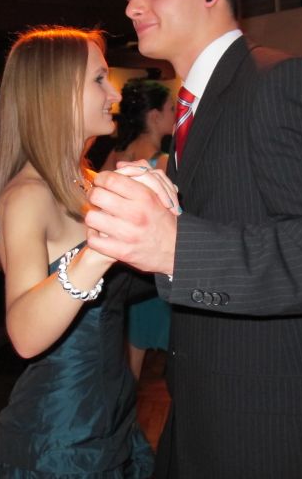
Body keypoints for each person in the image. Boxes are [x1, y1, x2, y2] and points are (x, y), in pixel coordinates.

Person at [84, 0, 302, 477]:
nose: (131, 8)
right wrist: (84, 264)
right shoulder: (196, 105)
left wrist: (177, 247)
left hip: (271, 423)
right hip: (203, 403)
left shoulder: (278, 81)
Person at [0, 27, 163, 478]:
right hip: (58, 439)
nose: (114, 94)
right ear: (55, 94)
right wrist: (99, 248)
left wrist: (166, 222)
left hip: (113, 421)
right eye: (99, 79)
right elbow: (24, 336)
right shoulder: (28, 196)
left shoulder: (92, 183)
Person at [101, 78, 175, 380]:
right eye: (171, 109)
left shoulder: (117, 155)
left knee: (132, 363)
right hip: (153, 274)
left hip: (124, 269)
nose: (176, 114)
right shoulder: (163, 163)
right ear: (155, 115)